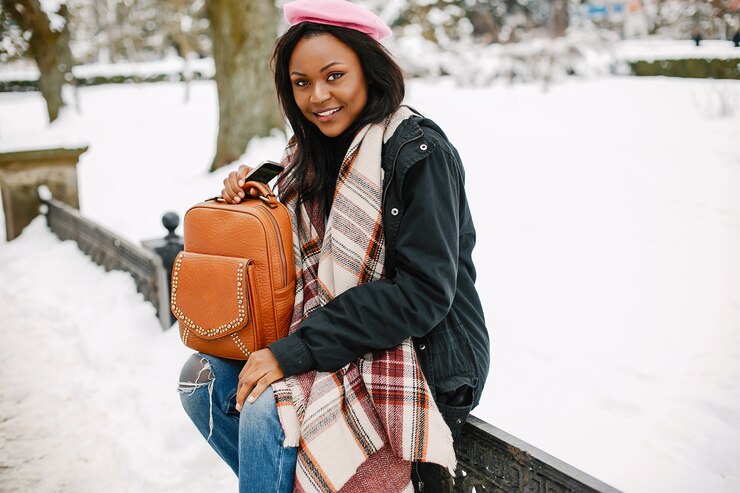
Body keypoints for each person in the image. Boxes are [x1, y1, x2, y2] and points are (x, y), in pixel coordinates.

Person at [178, 1, 490, 492]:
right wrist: (255, 197)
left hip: (420, 354)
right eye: (301, 82)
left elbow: (423, 295)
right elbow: (299, 252)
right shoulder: (308, 154)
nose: (317, 96)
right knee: (201, 381)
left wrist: (294, 351)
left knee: (268, 409)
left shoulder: (419, 152)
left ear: (369, 68)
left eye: (334, 75)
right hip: (337, 334)